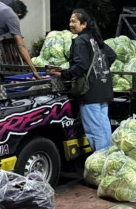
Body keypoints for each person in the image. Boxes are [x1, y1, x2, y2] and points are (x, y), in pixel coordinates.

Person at [47, 9, 117, 152]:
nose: (70, 24)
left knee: (94, 131)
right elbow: (112, 56)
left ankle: (100, 163)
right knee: (104, 127)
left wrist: (63, 74)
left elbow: (80, 66)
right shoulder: (95, 38)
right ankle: (108, 158)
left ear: (83, 24)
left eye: (74, 21)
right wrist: (100, 70)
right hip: (103, 90)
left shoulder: (80, 41)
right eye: (70, 21)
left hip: (90, 92)